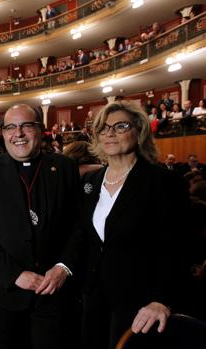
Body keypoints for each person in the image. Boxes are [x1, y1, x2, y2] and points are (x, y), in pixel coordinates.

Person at [78, 101, 190, 349]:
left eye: (120, 126)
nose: (110, 133)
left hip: (140, 302)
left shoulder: (164, 182)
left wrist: (161, 299)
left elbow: (177, 247)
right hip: (93, 296)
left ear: (138, 131)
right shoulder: (90, 181)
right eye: (104, 128)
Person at [0, 104, 81, 349]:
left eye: (26, 126)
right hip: (4, 289)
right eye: (10, 127)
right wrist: (14, 274)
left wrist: (63, 267)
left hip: (53, 289)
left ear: (40, 130)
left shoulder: (65, 167)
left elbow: (79, 224)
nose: (18, 133)